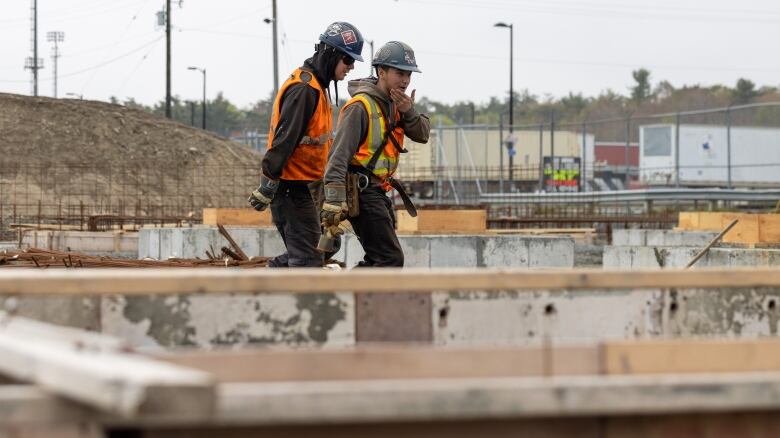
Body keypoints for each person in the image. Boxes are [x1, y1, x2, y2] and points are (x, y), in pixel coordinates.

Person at [248, 22, 364, 267]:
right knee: (308, 257)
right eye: (347, 59)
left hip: (302, 187)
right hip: (289, 187)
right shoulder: (304, 89)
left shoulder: (316, 87)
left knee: (320, 249)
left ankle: (272, 274)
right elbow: (285, 139)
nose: (351, 67)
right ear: (330, 54)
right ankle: (281, 295)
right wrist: (268, 183)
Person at [321, 41, 430, 267]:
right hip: (363, 191)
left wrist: (409, 111)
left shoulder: (397, 105)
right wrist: (333, 199)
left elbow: (422, 135)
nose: (406, 80)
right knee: (389, 259)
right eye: (400, 73)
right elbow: (338, 156)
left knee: (380, 259)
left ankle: (347, 294)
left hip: (379, 191)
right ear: (381, 72)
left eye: (409, 74)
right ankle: (344, 295)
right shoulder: (360, 106)